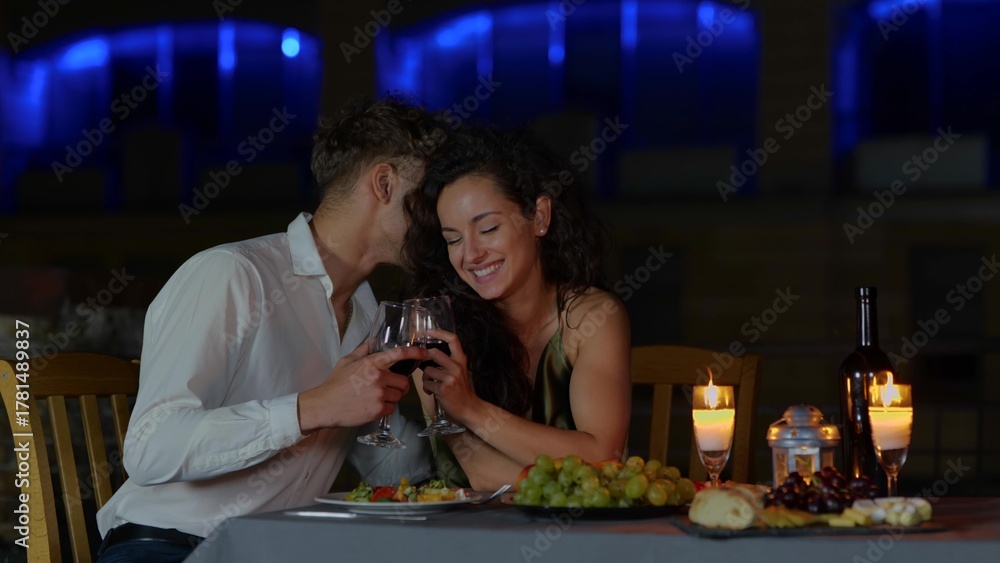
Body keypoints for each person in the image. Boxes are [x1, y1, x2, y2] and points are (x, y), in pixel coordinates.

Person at [95, 96, 444, 563]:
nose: (445, 220)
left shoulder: (367, 313)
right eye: (433, 197)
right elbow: (150, 449)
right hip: (166, 546)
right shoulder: (233, 274)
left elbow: (388, 467)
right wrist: (312, 407)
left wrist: (447, 404)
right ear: (384, 183)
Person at [402, 126, 632, 491]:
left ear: (539, 217)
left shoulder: (593, 317)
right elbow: (481, 472)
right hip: (465, 536)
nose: (471, 255)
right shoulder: (433, 321)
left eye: (489, 228)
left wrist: (470, 409)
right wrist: (578, 474)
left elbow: (603, 457)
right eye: (454, 240)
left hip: (577, 537)